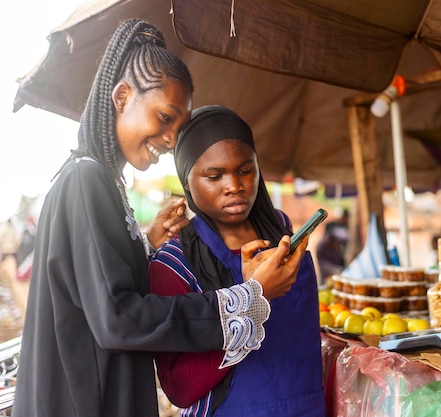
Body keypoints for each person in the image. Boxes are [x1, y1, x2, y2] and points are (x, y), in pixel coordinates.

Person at [12, 19, 306, 417]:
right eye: (164, 118)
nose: (170, 140)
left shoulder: (101, 182)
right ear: (122, 97)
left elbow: (97, 287)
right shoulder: (86, 179)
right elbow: (118, 317)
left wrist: (143, 243)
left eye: (178, 128)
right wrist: (244, 299)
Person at [148, 105, 326, 417]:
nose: (234, 186)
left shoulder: (282, 230)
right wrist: (251, 297)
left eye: (245, 170)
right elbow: (179, 387)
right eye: (214, 176)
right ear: (187, 183)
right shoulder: (174, 264)